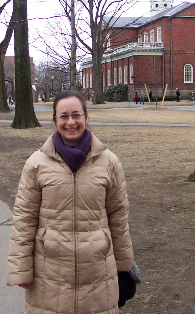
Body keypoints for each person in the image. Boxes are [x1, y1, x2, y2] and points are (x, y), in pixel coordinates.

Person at [7, 90, 139, 313]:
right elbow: (24, 219)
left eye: (76, 115)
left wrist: (125, 267)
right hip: (49, 271)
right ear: (55, 120)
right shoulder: (36, 163)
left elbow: (118, 217)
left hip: (98, 270)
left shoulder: (109, 162)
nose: (71, 122)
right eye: (64, 116)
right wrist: (21, 269)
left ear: (86, 117)